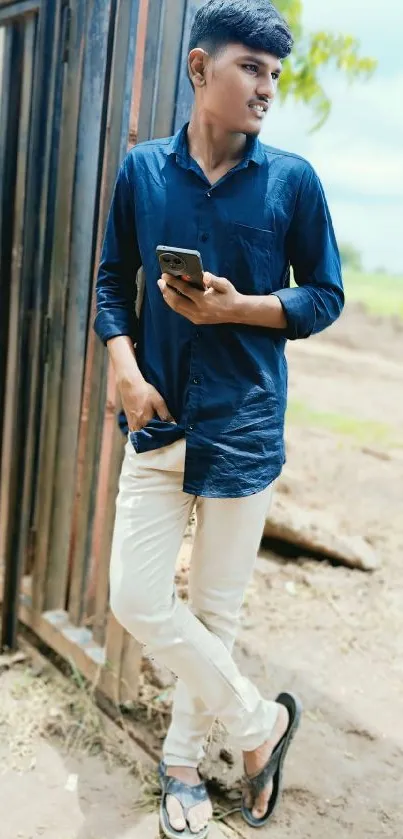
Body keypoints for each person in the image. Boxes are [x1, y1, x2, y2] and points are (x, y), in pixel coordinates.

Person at [94, 0, 344, 835]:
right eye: (250, 67)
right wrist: (125, 370)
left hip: (243, 426)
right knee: (134, 594)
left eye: (275, 73)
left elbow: (323, 296)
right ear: (200, 70)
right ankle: (258, 724)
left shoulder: (293, 181)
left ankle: (179, 767)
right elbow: (110, 283)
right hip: (158, 420)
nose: (267, 86)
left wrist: (244, 307)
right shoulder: (141, 172)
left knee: (214, 615)